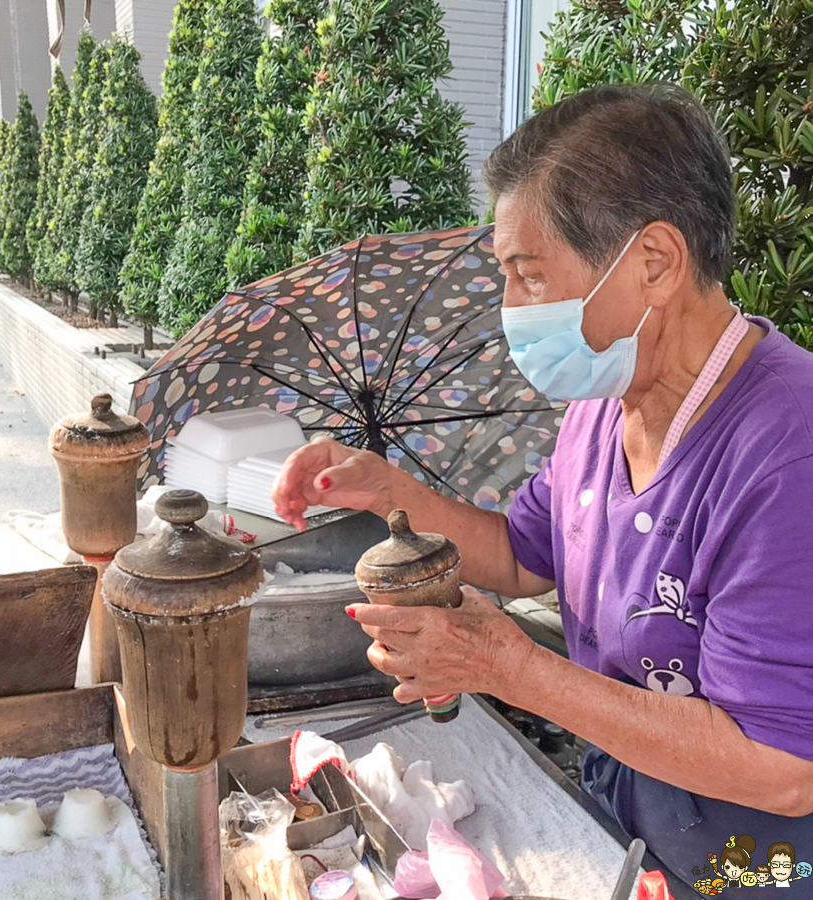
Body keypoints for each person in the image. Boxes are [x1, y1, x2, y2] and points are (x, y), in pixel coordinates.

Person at [272, 83, 813, 888]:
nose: (509, 308)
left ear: (653, 262)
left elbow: (781, 763)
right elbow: (528, 555)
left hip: (751, 862)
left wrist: (516, 669)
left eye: (527, 275)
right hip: (630, 817)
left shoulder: (786, 449)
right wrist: (391, 492)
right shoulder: (604, 406)